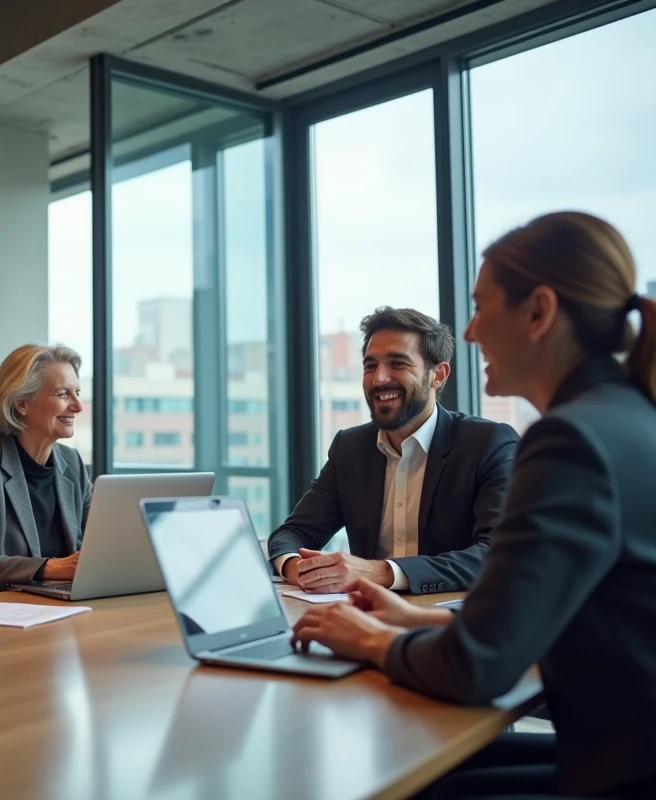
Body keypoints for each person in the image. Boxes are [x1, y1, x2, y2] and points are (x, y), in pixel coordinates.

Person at [291, 212, 656, 799]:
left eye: (482, 306)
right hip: (623, 747)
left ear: (539, 312)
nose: (469, 330)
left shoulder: (570, 441)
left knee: (401, 781)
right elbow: (546, 617)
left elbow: (478, 667)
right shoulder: (627, 418)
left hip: (623, 772)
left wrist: (362, 637)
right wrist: (413, 618)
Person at [267, 307, 519, 594]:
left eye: (398, 364)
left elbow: (495, 554)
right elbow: (293, 533)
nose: (379, 379)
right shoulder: (349, 448)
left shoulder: (489, 443)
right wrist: (298, 568)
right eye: (370, 366)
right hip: (367, 618)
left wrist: (382, 572)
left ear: (438, 374)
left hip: (450, 623)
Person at [0, 344, 91, 594]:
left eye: (77, 392)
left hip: (68, 605)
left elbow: (95, 548)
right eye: (62, 394)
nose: (78, 406)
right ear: (21, 404)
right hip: (5, 612)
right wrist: (53, 567)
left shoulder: (73, 464)